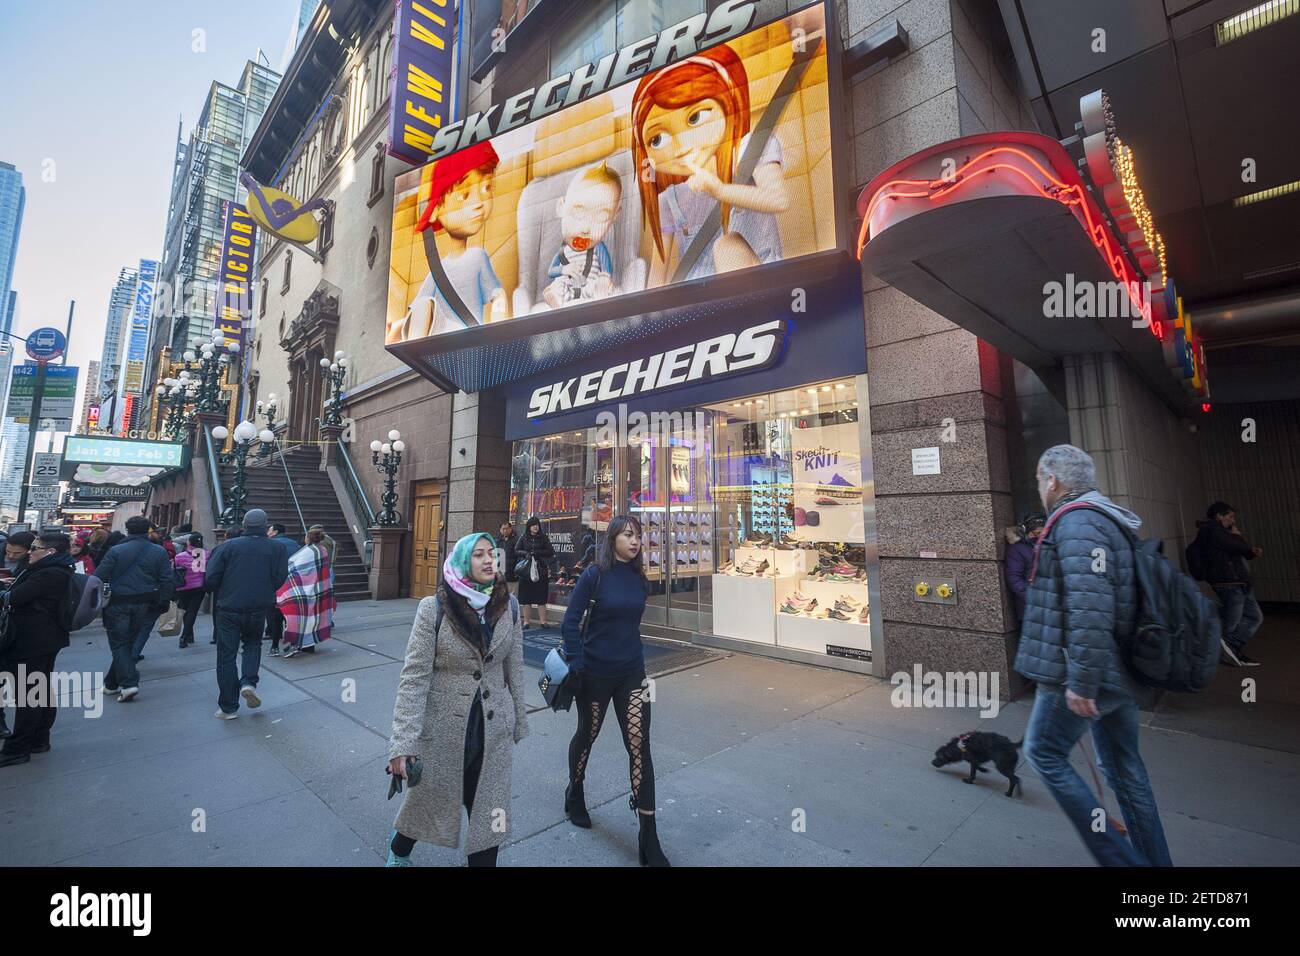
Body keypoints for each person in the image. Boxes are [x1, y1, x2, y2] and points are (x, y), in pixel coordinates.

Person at [1016, 444, 1172, 867]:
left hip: (1088, 672)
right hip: (1116, 672)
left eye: (1038, 479)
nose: (1038, 487)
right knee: (1123, 769)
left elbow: (1090, 606)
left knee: (1044, 753)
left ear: (1052, 480)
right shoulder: (1104, 518)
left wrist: (1081, 680)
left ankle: (1122, 862)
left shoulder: (1079, 522)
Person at [386, 532, 528, 866]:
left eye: (492, 553)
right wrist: (402, 743)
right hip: (444, 728)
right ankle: (400, 847)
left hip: (491, 729)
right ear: (463, 561)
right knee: (429, 799)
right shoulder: (433, 608)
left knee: (487, 815)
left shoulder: (509, 605)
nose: (489, 560)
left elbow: (515, 666)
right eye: (479, 555)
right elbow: (414, 677)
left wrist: (518, 719)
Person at [560, 514, 669, 866]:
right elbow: (569, 622)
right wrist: (577, 662)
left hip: (632, 674)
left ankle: (648, 836)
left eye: (637, 535)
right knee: (587, 735)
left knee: (640, 748)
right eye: (627, 535)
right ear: (612, 540)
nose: (635, 541)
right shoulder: (594, 575)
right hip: (594, 673)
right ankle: (575, 792)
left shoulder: (639, 578)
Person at [633, 43, 789, 285]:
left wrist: (719, 190)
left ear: (726, 105)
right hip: (700, 302)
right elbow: (657, 279)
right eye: (657, 139)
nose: (681, 144)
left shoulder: (752, 146)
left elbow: (779, 199)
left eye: (695, 117)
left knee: (727, 246)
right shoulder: (669, 199)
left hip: (759, 288)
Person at [204, 509, 288, 719]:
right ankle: (249, 682)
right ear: (264, 526)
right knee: (253, 644)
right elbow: (280, 577)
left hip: (229, 606)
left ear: (244, 525)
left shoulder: (227, 547)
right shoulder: (276, 547)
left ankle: (228, 706)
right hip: (259, 606)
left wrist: (226, 590)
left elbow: (211, 577)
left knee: (226, 655)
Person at [0, 533, 75, 767]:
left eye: (35, 547)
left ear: (49, 552)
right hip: (44, 639)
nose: (30, 551)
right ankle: (39, 739)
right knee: (39, 691)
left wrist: (5, 593)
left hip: (31, 640)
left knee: (29, 695)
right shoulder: (56, 570)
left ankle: (18, 747)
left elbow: (15, 599)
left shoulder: (49, 573)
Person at [94, 516, 174, 703]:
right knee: (127, 642)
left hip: (118, 601)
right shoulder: (159, 551)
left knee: (119, 643)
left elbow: (99, 576)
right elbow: (166, 579)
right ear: (147, 530)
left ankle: (129, 682)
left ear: (128, 529)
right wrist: (164, 600)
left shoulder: (116, 551)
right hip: (144, 602)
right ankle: (111, 683)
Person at [1193, 501, 1264, 667]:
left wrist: (1246, 547)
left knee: (1254, 617)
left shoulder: (1222, 532)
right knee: (1232, 620)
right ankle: (1212, 650)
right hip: (1228, 582)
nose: (1233, 521)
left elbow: (1240, 549)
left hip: (1238, 582)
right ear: (1219, 516)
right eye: (1230, 517)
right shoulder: (1211, 529)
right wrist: (1237, 536)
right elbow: (1234, 545)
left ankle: (1229, 647)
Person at [277, 527, 335, 658]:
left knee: (297, 618)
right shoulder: (322, 549)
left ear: (308, 538)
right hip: (319, 588)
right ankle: (309, 645)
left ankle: (294, 644)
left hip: (305, 589)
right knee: (313, 618)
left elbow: (294, 566)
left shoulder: (308, 551)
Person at [265, 523, 300, 657]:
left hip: (275, 585)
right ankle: (292, 643)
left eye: (269, 530)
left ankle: (274, 646)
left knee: (275, 616)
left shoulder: (269, 545)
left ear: (275, 531)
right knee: (290, 615)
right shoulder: (295, 544)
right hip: (292, 585)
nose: (267, 532)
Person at [1004, 514, 1045, 626]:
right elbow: (1014, 579)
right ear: (1027, 532)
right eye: (1037, 532)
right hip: (1030, 610)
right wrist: (1033, 598)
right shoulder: (1017, 549)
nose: (1041, 535)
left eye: (1044, 532)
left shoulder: (1048, 546)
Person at [515, 516, 554, 629]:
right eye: (533, 525)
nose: (536, 527)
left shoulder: (543, 537)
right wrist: (525, 553)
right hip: (526, 571)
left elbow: (550, 551)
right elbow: (516, 550)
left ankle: (543, 621)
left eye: (537, 524)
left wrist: (537, 552)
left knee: (541, 597)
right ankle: (526, 622)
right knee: (526, 598)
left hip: (540, 570)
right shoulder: (523, 537)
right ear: (529, 527)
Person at [174, 533, 208, 648]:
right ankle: (187, 635)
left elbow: (174, 569)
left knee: (184, 611)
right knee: (192, 612)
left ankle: (186, 635)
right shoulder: (206, 554)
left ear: (189, 542)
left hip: (183, 587)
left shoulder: (180, 556)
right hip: (199, 587)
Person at [499, 522, 518, 596]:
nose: (505, 531)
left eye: (507, 529)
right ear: (500, 530)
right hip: (500, 574)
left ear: (510, 529)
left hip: (512, 573)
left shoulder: (516, 541)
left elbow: (519, 556)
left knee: (512, 597)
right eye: (503, 529)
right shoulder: (498, 541)